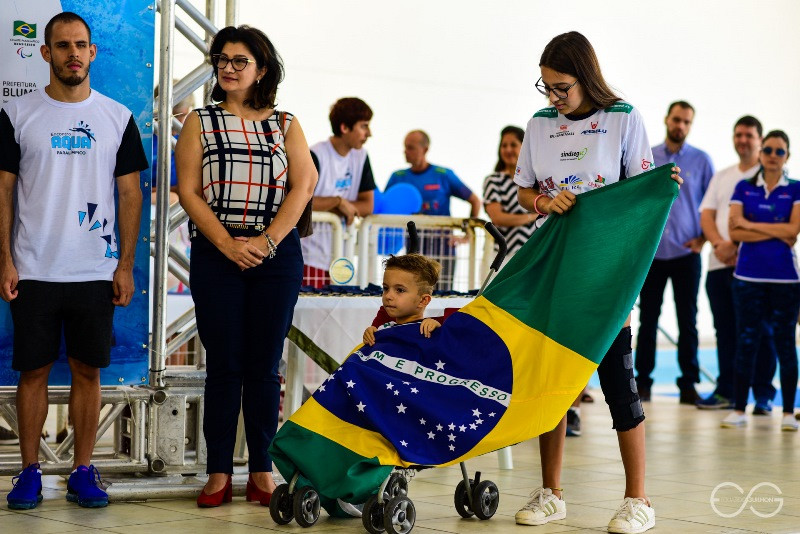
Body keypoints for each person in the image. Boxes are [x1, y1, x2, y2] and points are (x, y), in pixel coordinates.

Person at [513, 31, 682, 533]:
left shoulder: (623, 118)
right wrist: (545, 202)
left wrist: (661, 188)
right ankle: (551, 493)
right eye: (545, 87)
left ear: (586, 78)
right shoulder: (539, 125)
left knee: (618, 384)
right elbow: (523, 189)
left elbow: (640, 192)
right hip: (554, 270)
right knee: (553, 387)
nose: (553, 97)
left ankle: (638, 500)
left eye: (561, 87)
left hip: (605, 274)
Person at [0, 12, 147, 509]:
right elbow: (3, 191)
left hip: (94, 270)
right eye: (62, 46)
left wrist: (124, 265)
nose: (73, 54)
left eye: (81, 45)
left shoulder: (117, 117)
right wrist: (5, 260)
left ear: (93, 52)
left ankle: (83, 471)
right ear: (46, 53)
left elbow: (130, 194)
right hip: (33, 268)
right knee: (32, 373)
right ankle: (29, 473)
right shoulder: (17, 115)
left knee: (88, 372)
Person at [175, 25, 316, 507]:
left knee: (264, 366)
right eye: (222, 59)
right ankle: (217, 471)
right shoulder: (200, 120)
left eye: (240, 61)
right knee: (224, 365)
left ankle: (261, 470)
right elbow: (189, 191)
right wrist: (228, 244)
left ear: (262, 69)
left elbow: (304, 185)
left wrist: (266, 241)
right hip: (217, 255)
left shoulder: (286, 123)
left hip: (276, 256)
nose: (229, 68)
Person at [634, 101, 714, 405]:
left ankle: (688, 385)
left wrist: (703, 239)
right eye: (677, 119)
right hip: (653, 254)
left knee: (687, 321)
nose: (680, 125)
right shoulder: (649, 157)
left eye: (686, 122)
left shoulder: (702, 161)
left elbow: (712, 205)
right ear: (667, 119)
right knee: (648, 320)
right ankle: (643, 383)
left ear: (690, 125)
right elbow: (637, 199)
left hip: (686, 255)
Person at [697, 116, 778, 411]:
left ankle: (763, 395)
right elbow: (706, 215)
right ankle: (727, 391)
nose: (742, 140)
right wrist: (720, 244)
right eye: (738, 134)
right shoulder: (722, 176)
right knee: (726, 331)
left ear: (760, 140)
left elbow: (772, 220)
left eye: (749, 135)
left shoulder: (770, 176)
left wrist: (737, 245)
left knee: (762, 331)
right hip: (719, 266)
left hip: (756, 268)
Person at [721, 130, 800, 431]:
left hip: (786, 281)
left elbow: (793, 230)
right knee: (746, 342)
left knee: (785, 344)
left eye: (779, 151)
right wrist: (777, 230)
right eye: (768, 149)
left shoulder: (795, 189)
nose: (772, 155)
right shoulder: (743, 187)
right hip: (747, 278)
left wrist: (751, 225)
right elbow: (735, 233)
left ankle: (789, 413)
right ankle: (739, 409)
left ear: (787, 156)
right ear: (761, 152)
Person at [387, 130, 481, 289]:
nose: (406, 151)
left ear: (424, 149)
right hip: (413, 249)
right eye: (405, 147)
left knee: (443, 295)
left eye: (410, 147)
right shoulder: (398, 177)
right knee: (414, 294)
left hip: (443, 249)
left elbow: (475, 201)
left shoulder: (443, 175)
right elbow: (385, 210)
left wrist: (467, 235)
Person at [300, 97, 376, 288]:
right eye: (364, 126)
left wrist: (336, 206)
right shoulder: (316, 155)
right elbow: (298, 200)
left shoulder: (361, 156)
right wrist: (338, 202)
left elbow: (368, 205)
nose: (369, 133)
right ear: (344, 127)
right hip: (310, 256)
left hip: (343, 258)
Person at [482, 126, 537, 263]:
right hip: (501, 257)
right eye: (504, 145)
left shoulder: (536, 180)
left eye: (513, 145)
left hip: (533, 255)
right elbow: (497, 217)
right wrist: (532, 217)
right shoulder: (494, 181)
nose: (508, 150)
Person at [362, 254, 442, 346]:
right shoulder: (383, 327)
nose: (388, 296)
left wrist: (439, 331)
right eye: (386, 288)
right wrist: (371, 334)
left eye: (400, 290)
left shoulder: (430, 331)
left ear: (423, 300)